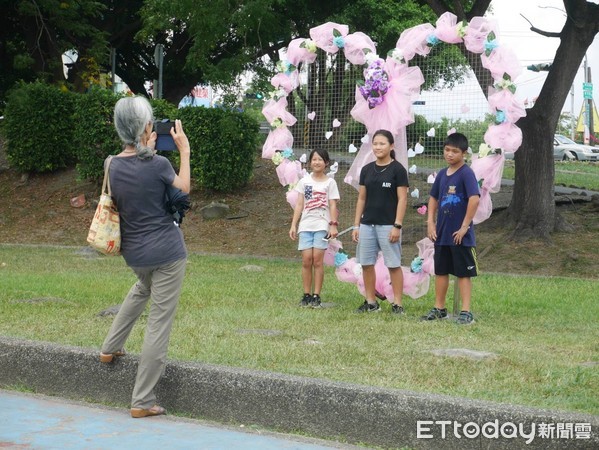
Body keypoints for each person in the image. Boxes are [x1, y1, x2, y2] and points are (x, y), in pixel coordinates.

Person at [99, 96, 191, 418]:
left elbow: (131, 185)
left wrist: (144, 147)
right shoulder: (160, 164)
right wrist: (184, 151)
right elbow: (184, 189)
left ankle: (110, 348)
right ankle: (142, 401)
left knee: (142, 288)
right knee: (159, 323)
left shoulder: (111, 164)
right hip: (167, 252)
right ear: (145, 127)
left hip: (134, 254)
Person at [422, 132, 480, 325]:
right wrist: (431, 222)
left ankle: (466, 311)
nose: (450, 154)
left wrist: (465, 226)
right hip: (442, 234)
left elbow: (474, 198)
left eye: (455, 151)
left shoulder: (466, 173)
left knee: (463, 273)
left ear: (463, 153)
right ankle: (439, 308)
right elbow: (433, 198)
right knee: (441, 271)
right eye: (447, 150)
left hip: (459, 235)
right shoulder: (441, 174)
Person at [351, 129, 409, 314]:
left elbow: (402, 199)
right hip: (367, 224)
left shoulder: (398, 170)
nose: (378, 147)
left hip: (388, 226)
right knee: (366, 264)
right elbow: (361, 199)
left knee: (393, 264)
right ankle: (371, 302)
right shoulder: (367, 170)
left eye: (382, 143)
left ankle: (397, 304)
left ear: (391, 146)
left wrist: (397, 225)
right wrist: (356, 225)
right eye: (375, 143)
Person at [289, 149, 340, 308]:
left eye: (320, 159)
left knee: (317, 261)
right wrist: (293, 224)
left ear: (326, 163)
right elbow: (299, 204)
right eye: (314, 159)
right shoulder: (304, 181)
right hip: (306, 225)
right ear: (310, 162)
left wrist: (333, 225)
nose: (317, 162)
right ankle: (306, 294)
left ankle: (316, 295)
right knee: (306, 260)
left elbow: (332, 205)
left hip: (322, 225)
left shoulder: (330, 182)